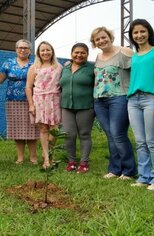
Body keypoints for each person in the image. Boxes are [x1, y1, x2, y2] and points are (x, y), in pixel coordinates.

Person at [90, 26, 137, 180]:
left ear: (110, 37)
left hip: (119, 98)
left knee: (118, 133)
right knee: (110, 135)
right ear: (94, 43)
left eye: (104, 37)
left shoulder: (124, 52)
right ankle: (115, 169)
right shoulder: (98, 57)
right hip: (99, 101)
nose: (101, 40)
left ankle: (129, 170)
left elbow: (140, 67)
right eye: (97, 39)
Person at [127, 19, 154, 191]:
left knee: (152, 141)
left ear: (149, 32)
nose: (139, 35)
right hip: (132, 101)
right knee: (140, 141)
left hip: (150, 99)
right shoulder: (134, 56)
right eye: (135, 33)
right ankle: (143, 177)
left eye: (142, 31)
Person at [0, 39, 39, 165]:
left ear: (30, 51)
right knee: (17, 130)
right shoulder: (8, 63)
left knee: (32, 129)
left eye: (25, 48)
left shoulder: (34, 64)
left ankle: (33, 157)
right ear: (16, 49)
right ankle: (20, 157)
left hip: (31, 101)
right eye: (20, 47)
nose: (23, 50)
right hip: (12, 101)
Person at [26, 41, 62, 169]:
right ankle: (47, 158)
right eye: (42, 50)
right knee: (43, 129)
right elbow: (28, 87)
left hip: (55, 100)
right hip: (39, 100)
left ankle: (49, 152)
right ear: (38, 53)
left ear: (52, 51)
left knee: (54, 131)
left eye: (48, 50)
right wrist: (31, 105)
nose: (45, 52)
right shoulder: (34, 67)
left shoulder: (59, 67)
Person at [60, 43, 95, 173]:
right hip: (66, 107)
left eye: (82, 53)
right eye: (76, 52)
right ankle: (71, 162)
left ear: (87, 55)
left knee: (84, 134)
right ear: (71, 54)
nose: (79, 55)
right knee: (68, 134)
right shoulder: (65, 68)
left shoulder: (92, 69)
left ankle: (84, 163)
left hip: (86, 107)